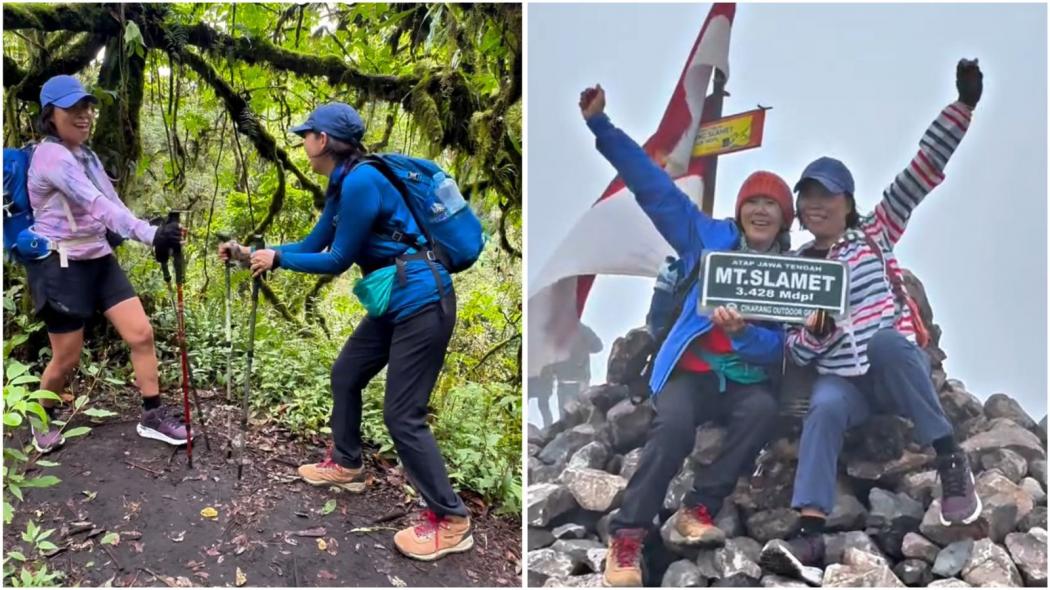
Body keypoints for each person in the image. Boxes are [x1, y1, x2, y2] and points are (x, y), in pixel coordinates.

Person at [759, 59, 985, 581]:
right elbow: (793, 348)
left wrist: (963, 106)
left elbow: (922, 169)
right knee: (825, 403)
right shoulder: (793, 271)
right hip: (845, 380)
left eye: (826, 195)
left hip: (889, 369)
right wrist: (818, 335)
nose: (815, 205)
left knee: (888, 344)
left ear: (847, 202)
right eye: (807, 197)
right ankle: (811, 536)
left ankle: (951, 460)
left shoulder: (874, 233)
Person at [218, 102, 471, 562]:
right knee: (347, 372)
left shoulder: (361, 181)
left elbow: (335, 259)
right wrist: (251, 253)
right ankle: (348, 462)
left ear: (325, 141)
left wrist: (278, 260)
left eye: (307, 134)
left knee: (402, 416)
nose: (303, 142)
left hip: (423, 302)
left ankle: (452, 519)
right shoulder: (344, 184)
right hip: (394, 300)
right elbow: (314, 244)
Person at [579, 85, 788, 588]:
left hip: (741, 378)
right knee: (672, 429)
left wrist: (741, 337)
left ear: (785, 218)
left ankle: (699, 508)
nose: (760, 210)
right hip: (688, 372)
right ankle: (627, 538)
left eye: (772, 204)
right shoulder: (705, 237)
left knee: (762, 411)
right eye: (753, 201)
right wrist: (602, 128)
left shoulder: (793, 273)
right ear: (739, 210)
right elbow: (654, 187)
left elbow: (781, 348)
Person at [23, 75, 186, 453]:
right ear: (50, 115)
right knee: (67, 357)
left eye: (87, 108)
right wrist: (148, 235)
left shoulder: (87, 155)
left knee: (141, 334)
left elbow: (113, 205)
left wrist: (152, 234)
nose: (84, 116)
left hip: (98, 258)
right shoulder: (51, 156)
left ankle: (151, 415)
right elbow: (95, 203)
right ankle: (40, 416)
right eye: (72, 109)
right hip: (59, 264)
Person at [549, 322, 602, 413]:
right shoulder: (558, 331)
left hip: (576, 382)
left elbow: (598, 346)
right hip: (567, 382)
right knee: (570, 418)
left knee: (576, 416)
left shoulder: (581, 330)